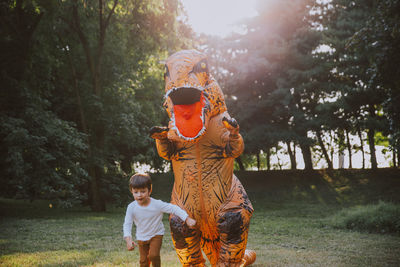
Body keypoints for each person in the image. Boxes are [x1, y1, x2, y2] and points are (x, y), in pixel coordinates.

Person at [123, 173, 196, 267]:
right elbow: (127, 224)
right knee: (143, 261)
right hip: (141, 236)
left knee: (153, 255)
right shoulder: (131, 207)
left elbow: (173, 208)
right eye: (136, 192)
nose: (139, 195)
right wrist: (128, 239)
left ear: (149, 191)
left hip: (156, 234)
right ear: (131, 191)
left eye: (143, 191)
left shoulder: (157, 204)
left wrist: (187, 218)